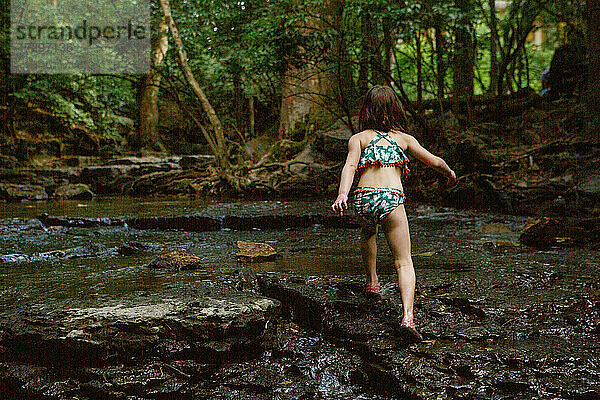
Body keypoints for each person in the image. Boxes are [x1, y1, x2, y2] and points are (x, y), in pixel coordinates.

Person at [331, 85, 456, 340]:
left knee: (368, 232)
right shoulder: (404, 139)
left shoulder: (359, 138)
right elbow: (433, 160)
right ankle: (408, 319)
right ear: (396, 110)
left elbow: (350, 166)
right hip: (391, 199)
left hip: (363, 199)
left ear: (366, 111)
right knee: (403, 261)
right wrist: (449, 173)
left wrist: (343, 194)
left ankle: (373, 282)